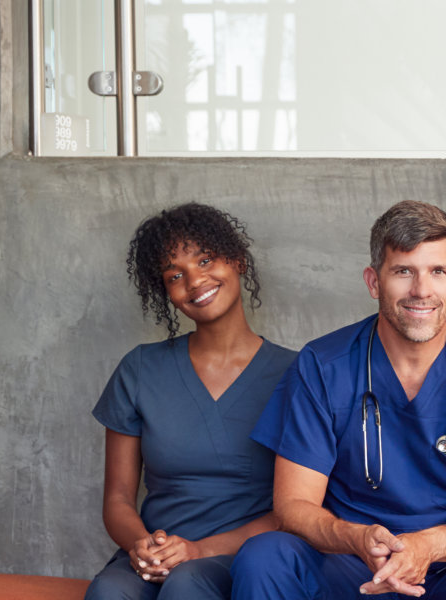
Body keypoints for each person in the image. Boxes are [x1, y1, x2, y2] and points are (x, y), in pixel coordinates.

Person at [232, 200, 446, 599]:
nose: (421, 290)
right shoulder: (323, 366)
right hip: (353, 567)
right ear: (374, 282)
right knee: (264, 555)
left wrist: (430, 545)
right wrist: (354, 538)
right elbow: (292, 506)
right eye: (403, 271)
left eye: (437, 272)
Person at [86, 203, 296, 600]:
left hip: (244, 555)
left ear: (236, 261)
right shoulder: (140, 369)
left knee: (187, 586)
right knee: (109, 592)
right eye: (175, 275)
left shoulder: (298, 375)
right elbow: (117, 498)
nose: (195, 281)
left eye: (205, 260)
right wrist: (143, 548)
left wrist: (199, 551)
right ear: (166, 291)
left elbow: (302, 507)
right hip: (155, 554)